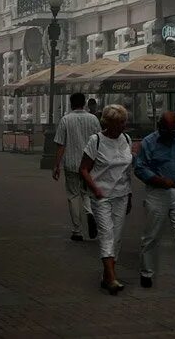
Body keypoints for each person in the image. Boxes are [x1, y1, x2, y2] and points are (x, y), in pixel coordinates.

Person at [134, 112, 175, 294]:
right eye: (166, 130)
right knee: (152, 235)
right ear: (159, 126)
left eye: (173, 130)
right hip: (157, 191)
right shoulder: (149, 142)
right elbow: (139, 167)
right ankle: (146, 272)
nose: (170, 134)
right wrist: (158, 180)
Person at [79, 104, 135, 295]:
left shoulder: (126, 139)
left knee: (117, 237)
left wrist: (130, 195)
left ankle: (106, 274)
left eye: (124, 122)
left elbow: (127, 171)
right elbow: (84, 169)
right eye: (119, 123)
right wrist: (95, 189)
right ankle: (111, 278)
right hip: (101, 195)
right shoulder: (96, 141)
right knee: (107, 234)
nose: (123, 126)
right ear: (108, 123)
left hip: (121, 194)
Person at [53, 91, 101, 242]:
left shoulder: (66, 120)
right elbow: (100, 141)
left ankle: (77, 231)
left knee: (73, 196)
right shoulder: (93, 119)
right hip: (89, 164)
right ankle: (90, 213)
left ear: (71, 103)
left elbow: (61, 144)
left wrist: (56, 165)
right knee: (87, 193)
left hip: (72, 164)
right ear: (85, 103)